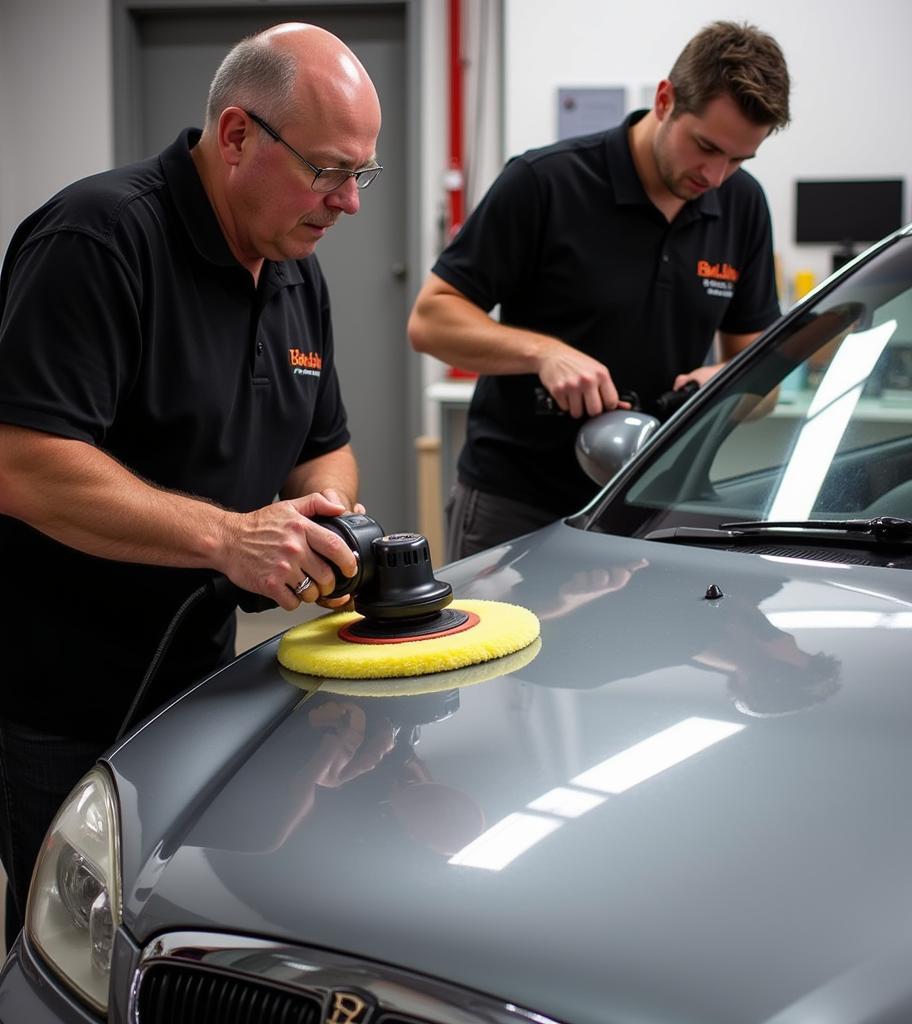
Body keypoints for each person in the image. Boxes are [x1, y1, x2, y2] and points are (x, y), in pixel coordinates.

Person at [0, 22, 383, 945]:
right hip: (63, 697)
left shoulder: (295, 269)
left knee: (183, 927)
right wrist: (228, 538)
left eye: (360, 176)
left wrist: (327, 517)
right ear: (239, 134)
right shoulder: (98, 238)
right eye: (330, 170)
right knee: (74, 948)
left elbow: (324, 446)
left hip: (206, 684)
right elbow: (21, 462)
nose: (349, 204)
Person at [408, 20, 791, 559]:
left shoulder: (742, 205)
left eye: (738, 160)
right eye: (705, 146)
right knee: (498, 646)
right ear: (665, 99)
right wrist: (544, 353)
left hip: (650, 505)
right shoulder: (545, 182)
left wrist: (722, 386)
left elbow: (761, 371)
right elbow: (430, 320)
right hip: (518, 502)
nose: (716, 175)